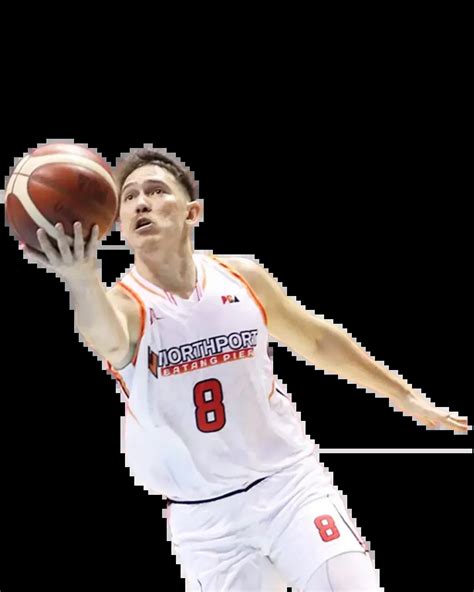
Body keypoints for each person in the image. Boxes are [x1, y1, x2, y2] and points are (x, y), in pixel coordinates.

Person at [21, 148, 469, 591]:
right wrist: (81, 278)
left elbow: (316, 340)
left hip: (289, 484)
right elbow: (105, 338)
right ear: (117, 224)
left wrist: (402, 393)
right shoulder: (124, 306)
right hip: (206, 518)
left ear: (192, 212)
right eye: (130, 197)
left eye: (156, 191)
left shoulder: (241, 277)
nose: (141, 203)